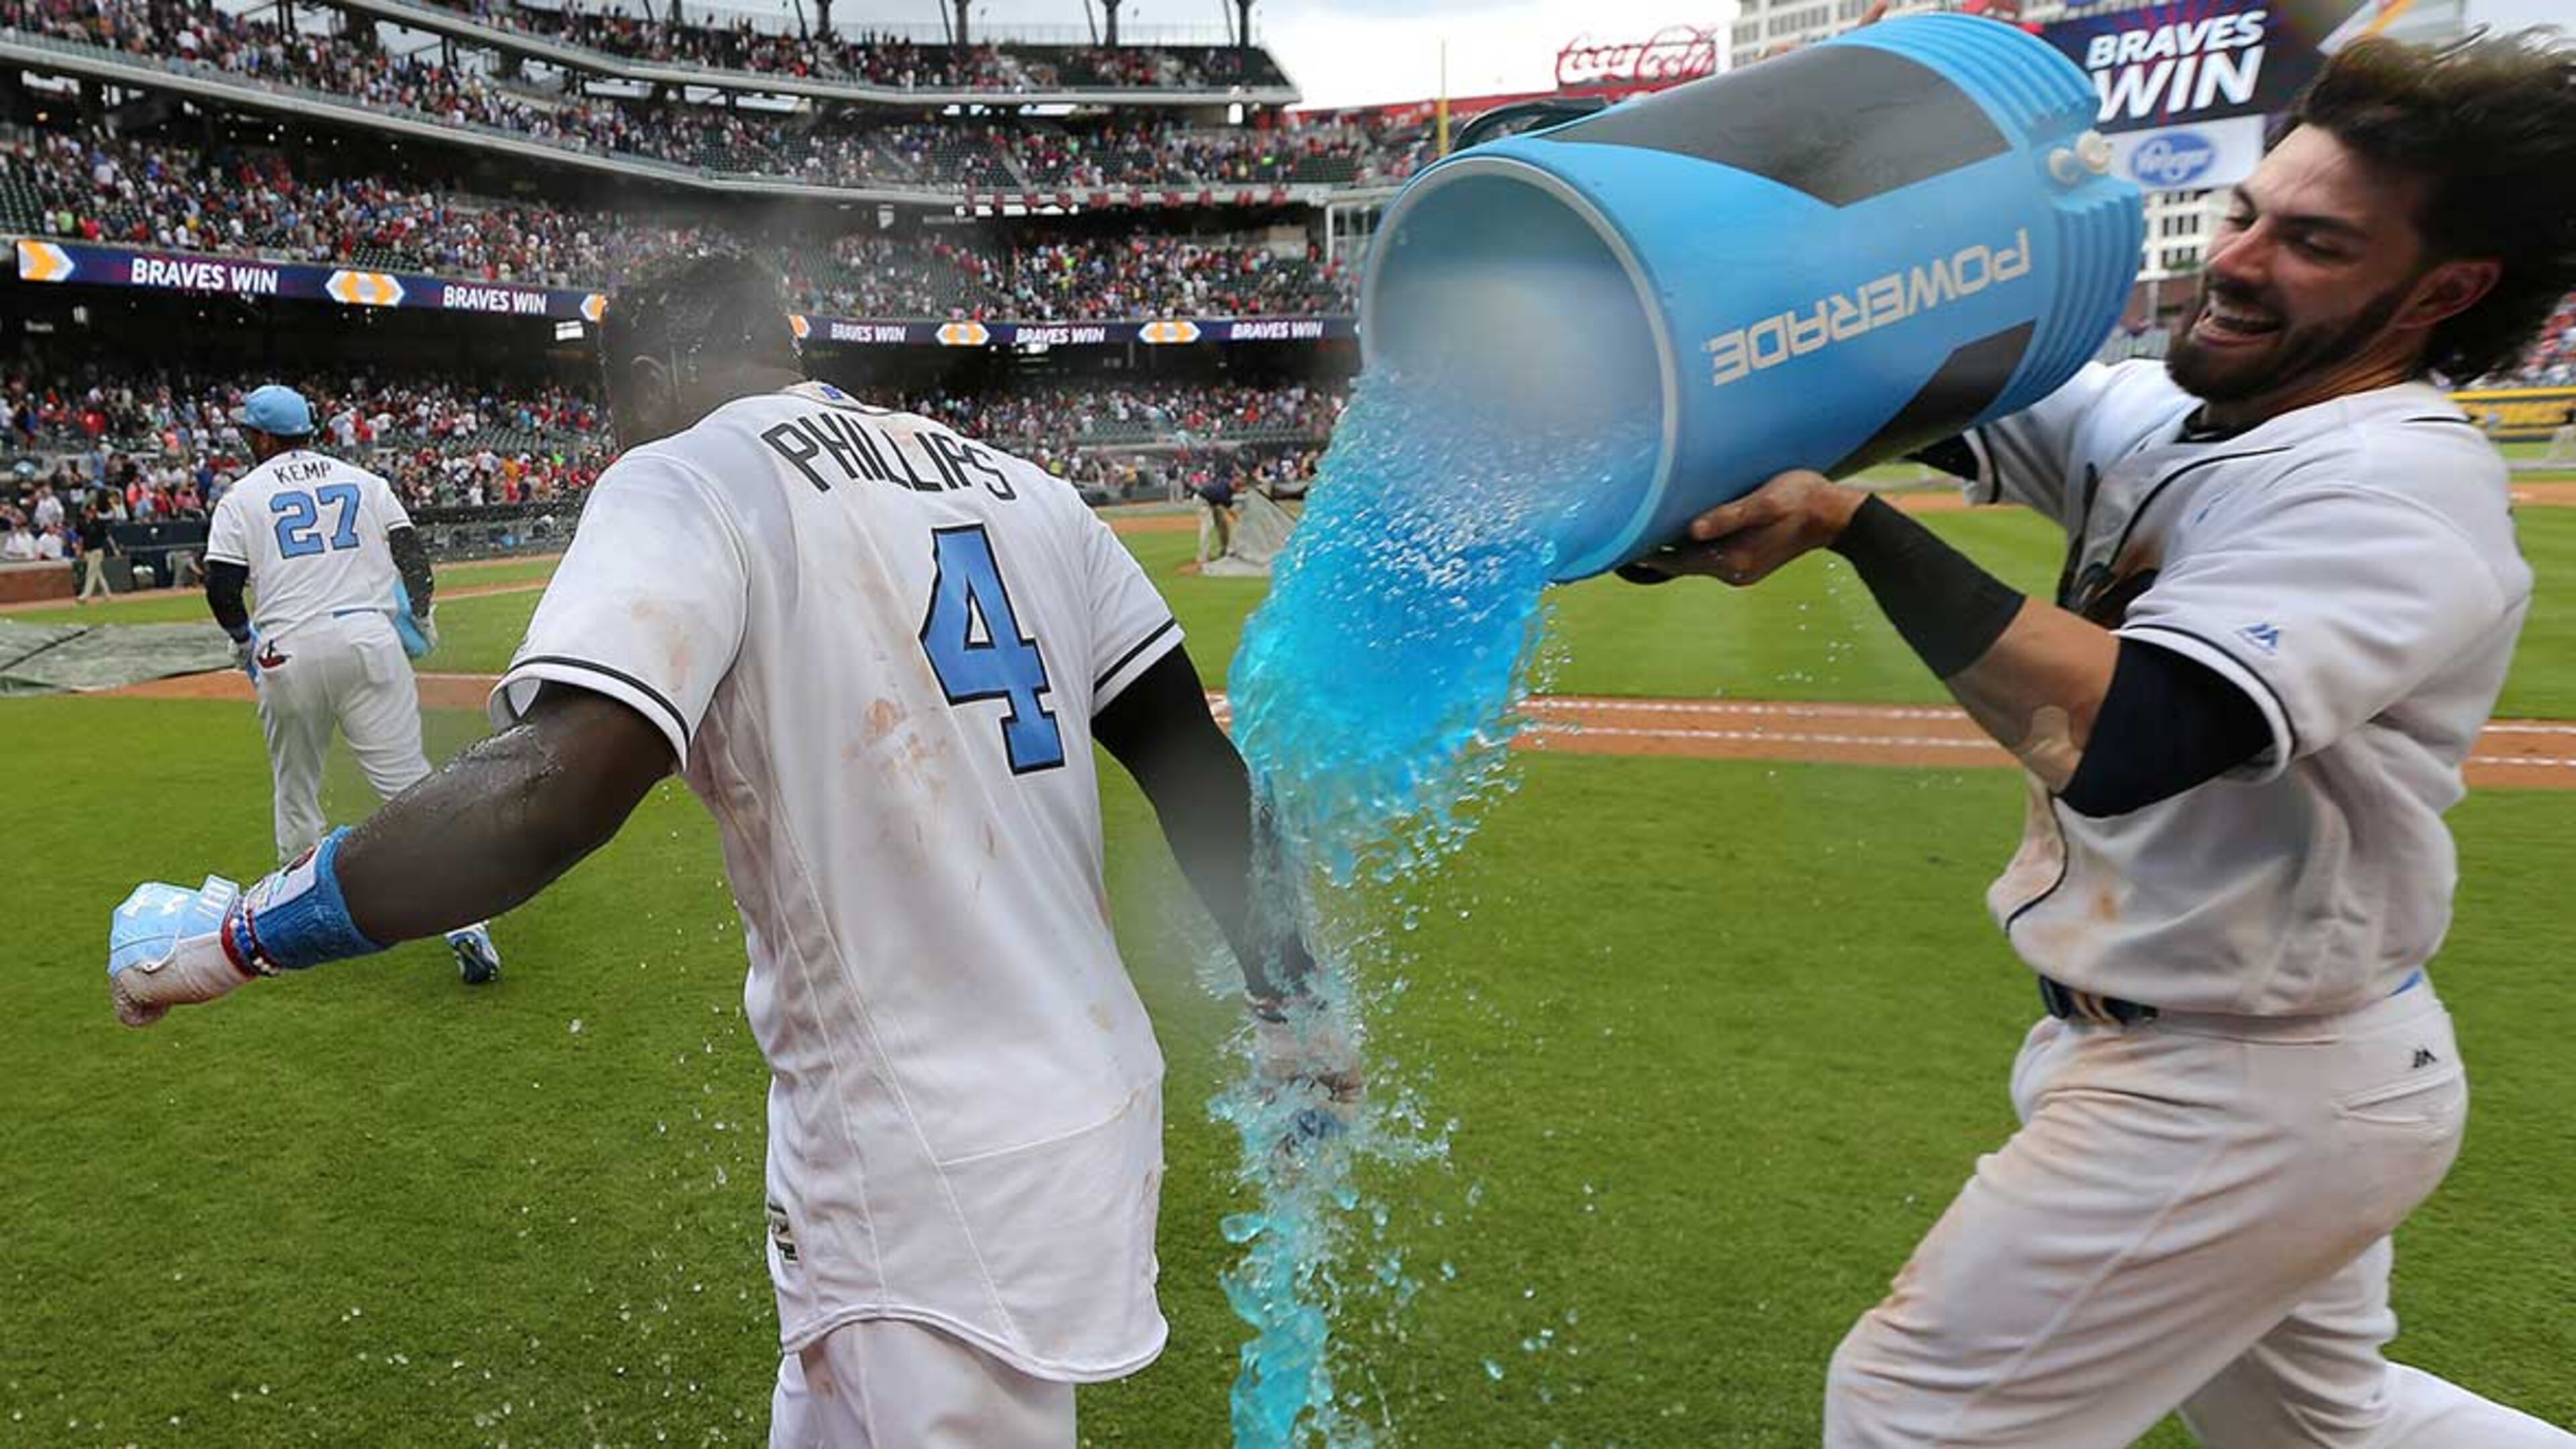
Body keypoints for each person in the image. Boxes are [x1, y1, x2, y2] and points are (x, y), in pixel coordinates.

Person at [103, 254, 1352, 1446]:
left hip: (921, 1158)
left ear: (647, 381)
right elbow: (1198, 770)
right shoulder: (1025, 487)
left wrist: (241, 933)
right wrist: (1297, 1006)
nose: (610, 438)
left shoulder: (688, 473)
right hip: (1078, 1094)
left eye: (610, 406)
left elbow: (548, 793)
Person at [1626, 34, 2576, 1448]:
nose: (2242, 260)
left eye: (2313, 243)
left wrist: (1846, 522)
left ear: (2443, 291)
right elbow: (1909, 379)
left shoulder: (2396, 483)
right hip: (2244, 1055)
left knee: (1910, 1415)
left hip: (2246, 1088)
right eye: (2250, 212)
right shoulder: (2183, 416)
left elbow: (2137, 734)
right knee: (2331, 1435)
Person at [198, 383, 502, 985]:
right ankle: (468, 925)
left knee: (297, 790)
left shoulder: (242, 496)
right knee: (411, 790)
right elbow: (414, 559)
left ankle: (293, 931)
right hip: (370, 640)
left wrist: (243, 641)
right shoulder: (366, 481)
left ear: (262, 436)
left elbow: (222, 584)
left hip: (290, 651)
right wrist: (422, 616)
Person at [75, 500, 115, 602]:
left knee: (91, 573)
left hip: (97, 551)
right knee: (98, 574)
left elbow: (108, 537)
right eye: (89, 512)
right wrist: (79, 550)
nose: (91, 514)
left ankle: (85, 596)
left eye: (93, 512)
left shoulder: (99, 523)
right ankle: (107, 594)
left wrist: (115, 549)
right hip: (88, 551)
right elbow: (81, 537)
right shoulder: (83, 523)